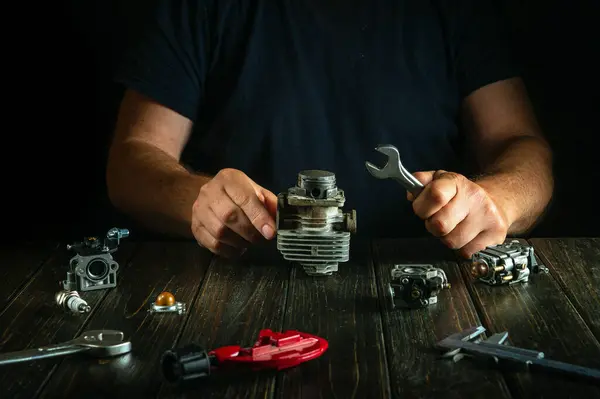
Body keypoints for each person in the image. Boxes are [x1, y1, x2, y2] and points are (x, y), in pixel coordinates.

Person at [106, 0, 553, 260]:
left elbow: (521, 144)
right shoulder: (204, 8)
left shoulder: (453, 10)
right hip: (240, 284)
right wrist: (198, 201)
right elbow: (132, 160)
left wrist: (497, 200)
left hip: (420, 286)